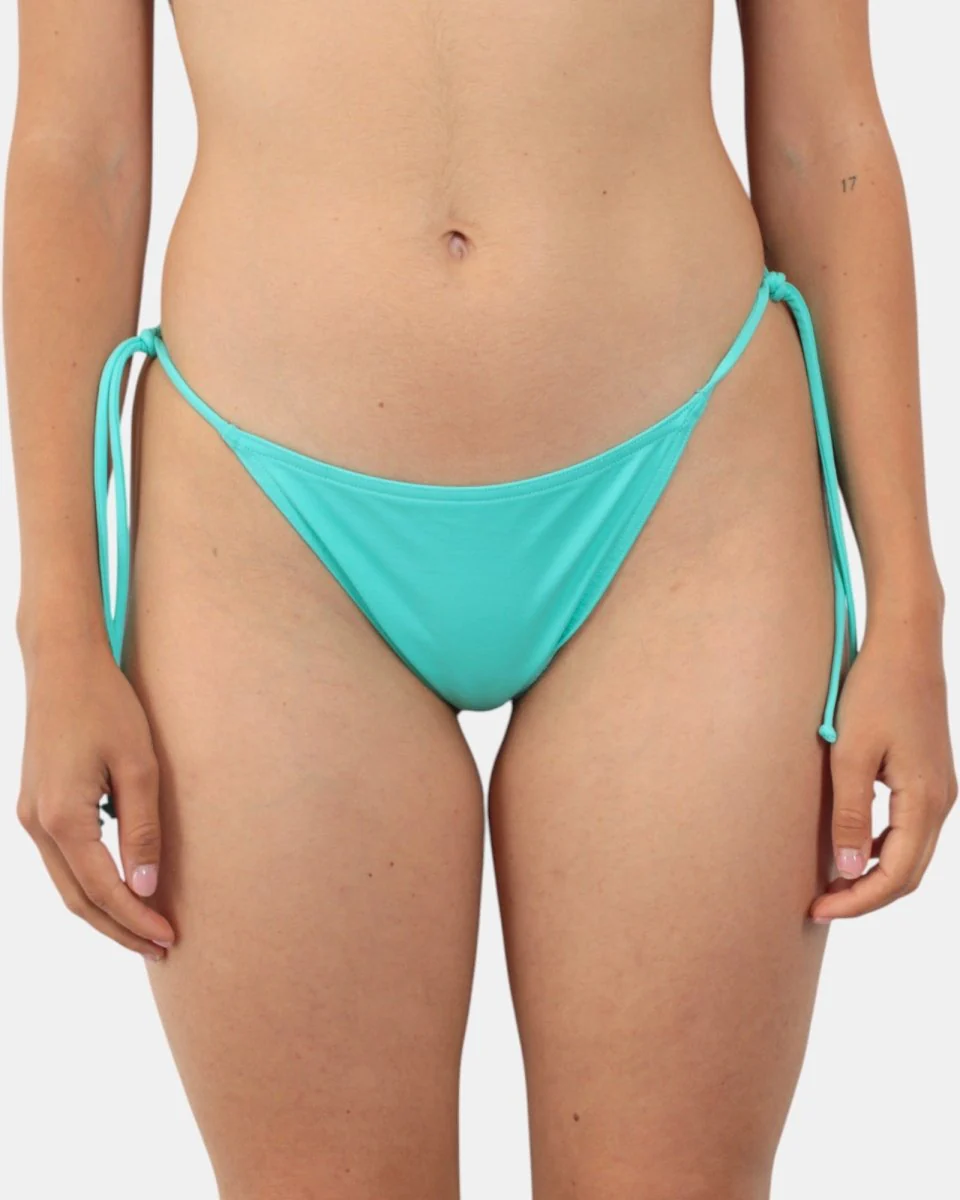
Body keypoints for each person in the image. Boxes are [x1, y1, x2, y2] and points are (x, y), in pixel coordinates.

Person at [5, 1, 955, 1196]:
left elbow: (827, 133)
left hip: (690, 494)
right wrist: (57, 629)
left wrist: (910, 607)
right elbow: (76, 151)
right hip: (262, 531)